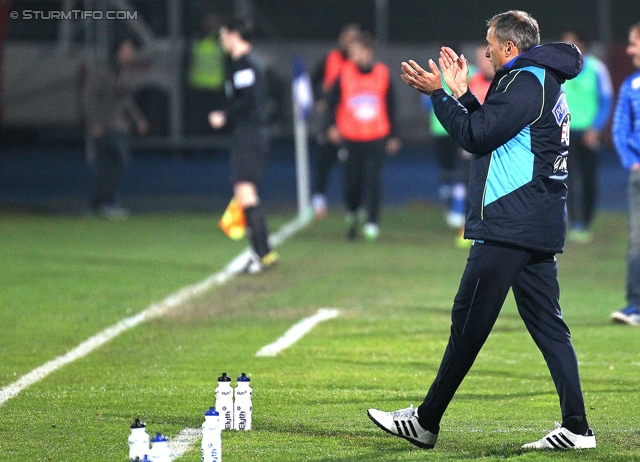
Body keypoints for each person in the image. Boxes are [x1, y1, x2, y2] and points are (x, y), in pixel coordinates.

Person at [368, 10, 596, 450]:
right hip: (532, 221)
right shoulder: (535, 79)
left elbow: (475, 137)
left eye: (490, 43)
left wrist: (440, 96)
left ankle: (426, 420)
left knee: (467, 323)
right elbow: (498, 132)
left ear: (509, 46)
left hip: (511, 223)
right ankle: (577, 427)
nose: (485, 50)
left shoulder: (525, 80)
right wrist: (461, 95)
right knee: (548, 326)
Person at [208, 18, 278, 274]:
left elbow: (250, 101)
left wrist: (224, 115)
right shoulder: (241, 64)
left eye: (224, 34)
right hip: (247, 134)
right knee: (244, 193)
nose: (221, 39)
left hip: (250, 134)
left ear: (235, 35)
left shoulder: (245, 65)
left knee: (246, 192)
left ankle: (262, 255)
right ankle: (262, 252)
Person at [325, 31, 401, 241]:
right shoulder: (344, 73)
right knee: (352, 181)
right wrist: (331, 126)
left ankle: (372, 221)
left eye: (357, 50)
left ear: (368, 52)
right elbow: (331, 103)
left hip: (377, 136)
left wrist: (394, 135)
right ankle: (353, 211)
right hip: (351, 137)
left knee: (373, 180)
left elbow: (391, 105)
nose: (353, 54)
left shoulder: (382, 73)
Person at [83, 37, 149, 219]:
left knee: (110, 164)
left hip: (118, 125)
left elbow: (126, 100)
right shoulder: (102, 72)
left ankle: (100, 203)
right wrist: (94, 123)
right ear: (118, 51)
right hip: (106, 124)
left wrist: (138, 121)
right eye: (127, 49)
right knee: (117, 161)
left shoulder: (123, 72)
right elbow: (90, 99)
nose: (131, 53)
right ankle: (104, 203)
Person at [560, 30, 614, 243]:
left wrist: (595, 128)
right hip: (564, 132)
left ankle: (587, 219)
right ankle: (574, 222)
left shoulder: (596, 69)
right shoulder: (559, 69)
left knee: (588, 178)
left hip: (589, 133)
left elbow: (606, 101)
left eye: (571, 43)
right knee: (566, 178)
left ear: (582, 45)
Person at [310, 23, 362, 219]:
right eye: (347, 37)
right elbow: (314, 80)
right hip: (332, 118)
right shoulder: (330, 58)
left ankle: (354, 206)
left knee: (355, 167)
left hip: (355, 120)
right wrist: (319, 99)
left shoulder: (360, 63)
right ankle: (319, 198)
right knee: (324, 160)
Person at [610, 21, 640, 326]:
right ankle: (635, 306)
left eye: (633, 43)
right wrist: (632, 161)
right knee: (638, 243)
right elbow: (620, 129)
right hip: (639, 176)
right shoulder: (632, 86)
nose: (630, 49)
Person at [186, 12, 227, 136]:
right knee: (196, 119)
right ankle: (196, 145)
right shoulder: (196, 38)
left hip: (214, 87)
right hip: (198, 85)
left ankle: (210, 148)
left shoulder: (221, 39)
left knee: (212, 120)